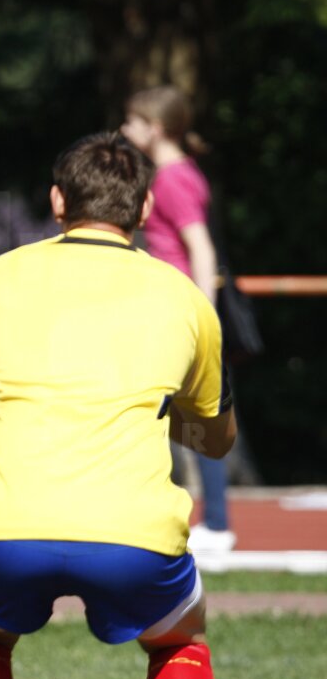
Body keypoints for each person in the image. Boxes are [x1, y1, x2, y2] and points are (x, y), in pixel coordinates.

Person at [0, 132, 235, 679]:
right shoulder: (185, 297)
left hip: (4, 528)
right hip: (134, 536)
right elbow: (215, 440)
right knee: (179, 641)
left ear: (57, 200)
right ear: (147, 206)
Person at [120, 86, 236, 554]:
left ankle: (216, 523)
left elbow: (201, 248)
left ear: (156, 127)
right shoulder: (175, 174)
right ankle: (201, 520)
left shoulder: (172, 179)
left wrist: (202, 316)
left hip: (176, 311)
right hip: (171, 307)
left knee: (190, 412)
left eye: (131, 122)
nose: (125, 130)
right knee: (180, 414)